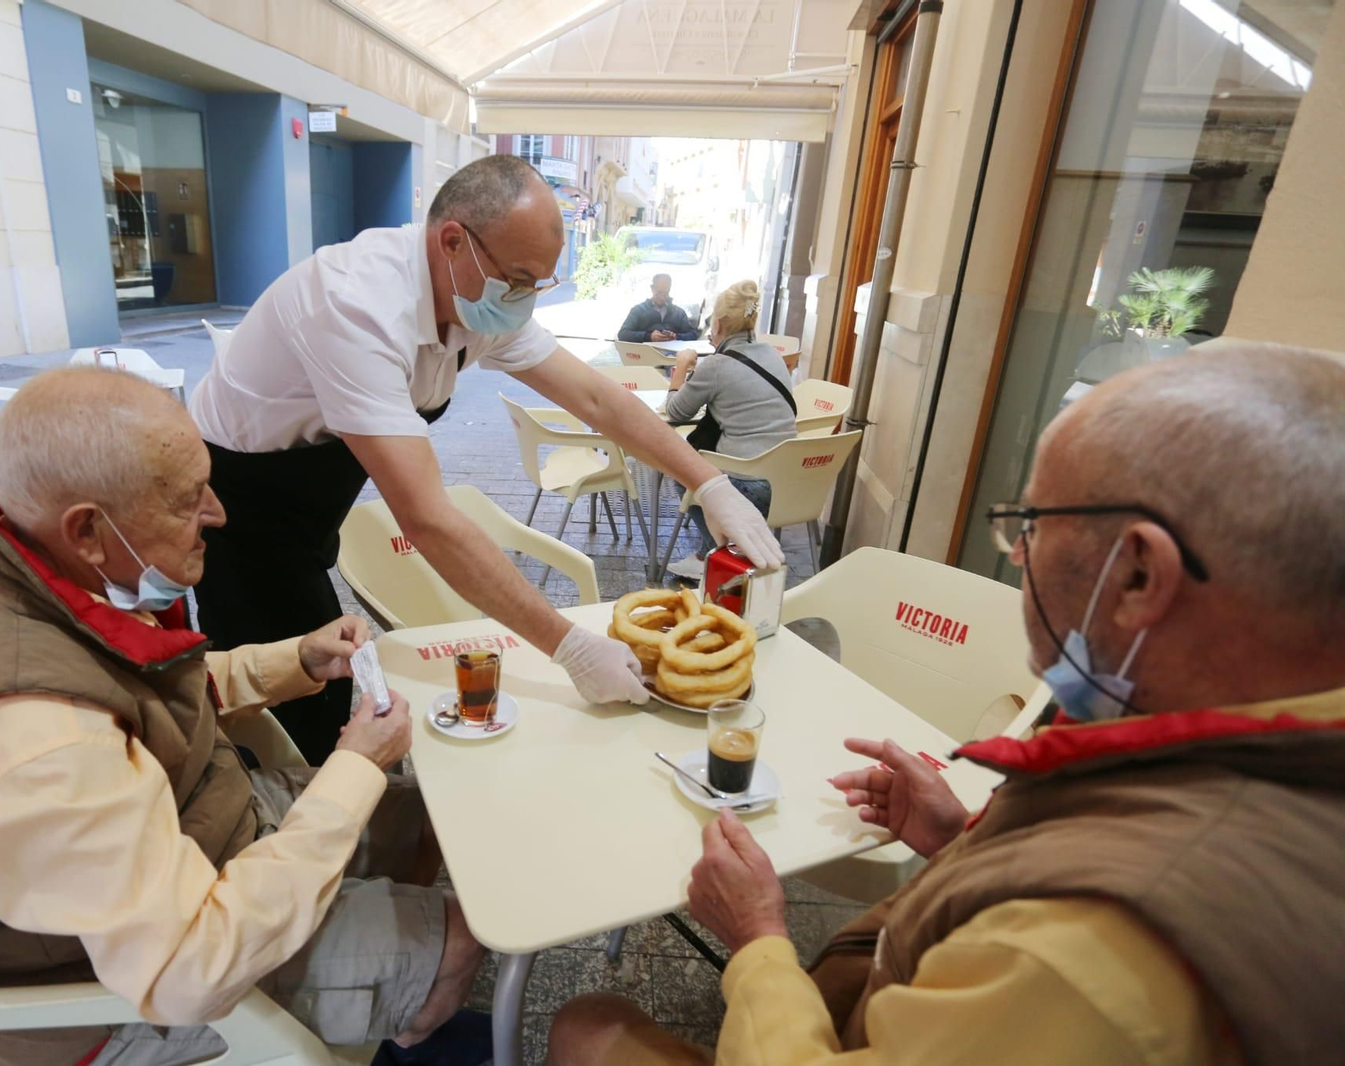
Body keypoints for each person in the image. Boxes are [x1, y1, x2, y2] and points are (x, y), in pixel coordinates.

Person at [547, 341, 1345, 1064]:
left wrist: (757, 940)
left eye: (1030, 524)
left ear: (1139, 575)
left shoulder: (1086, 953)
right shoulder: (1255, 755)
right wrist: (960, 841)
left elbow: (1053, 967)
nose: (1019, 553)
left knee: (587, 1027)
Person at [0, 368, 487, 1066]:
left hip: (197, 831)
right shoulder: (27, 741)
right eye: (187, 500)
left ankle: (391, 985)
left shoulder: (24, 566)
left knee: (433, 818)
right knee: (464, 931)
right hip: (105, 992)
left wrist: (295, 661)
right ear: (89, 530)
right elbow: (190, 972)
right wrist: (358, 766)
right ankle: (409, 1008)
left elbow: (138, 689)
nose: (216, 513)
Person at [190, 155, 782, 764]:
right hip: (238, 511)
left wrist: (710, 484)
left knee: (325, 697)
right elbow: (428, 519)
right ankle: (277, 835)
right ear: (452, 242)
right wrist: (569, 647)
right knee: (292, 722)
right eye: (519, 279)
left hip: (311, 501)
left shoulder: (476, 294)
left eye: (540, 284)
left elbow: (595, 397)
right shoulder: (355, 308)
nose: (525, 299)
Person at [663, 280, 795, 581]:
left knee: (683, 474)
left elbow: (676, 411)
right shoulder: (774, 356)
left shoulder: (717, 365)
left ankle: (709, 554)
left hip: (747, 486)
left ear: (719, 323)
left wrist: (681, 368)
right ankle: (719, 550)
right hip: (790, 484)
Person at [618, 274, 700, 343]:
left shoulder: (679, 313)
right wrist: (648, 336)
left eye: (665, 293)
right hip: (646, 355)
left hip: (673, 356)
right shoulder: (638, 310)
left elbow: (693, 334)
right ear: (652, 289)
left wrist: (676, 337)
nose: (662, 297)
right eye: (659, 292)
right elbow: (623, 334)